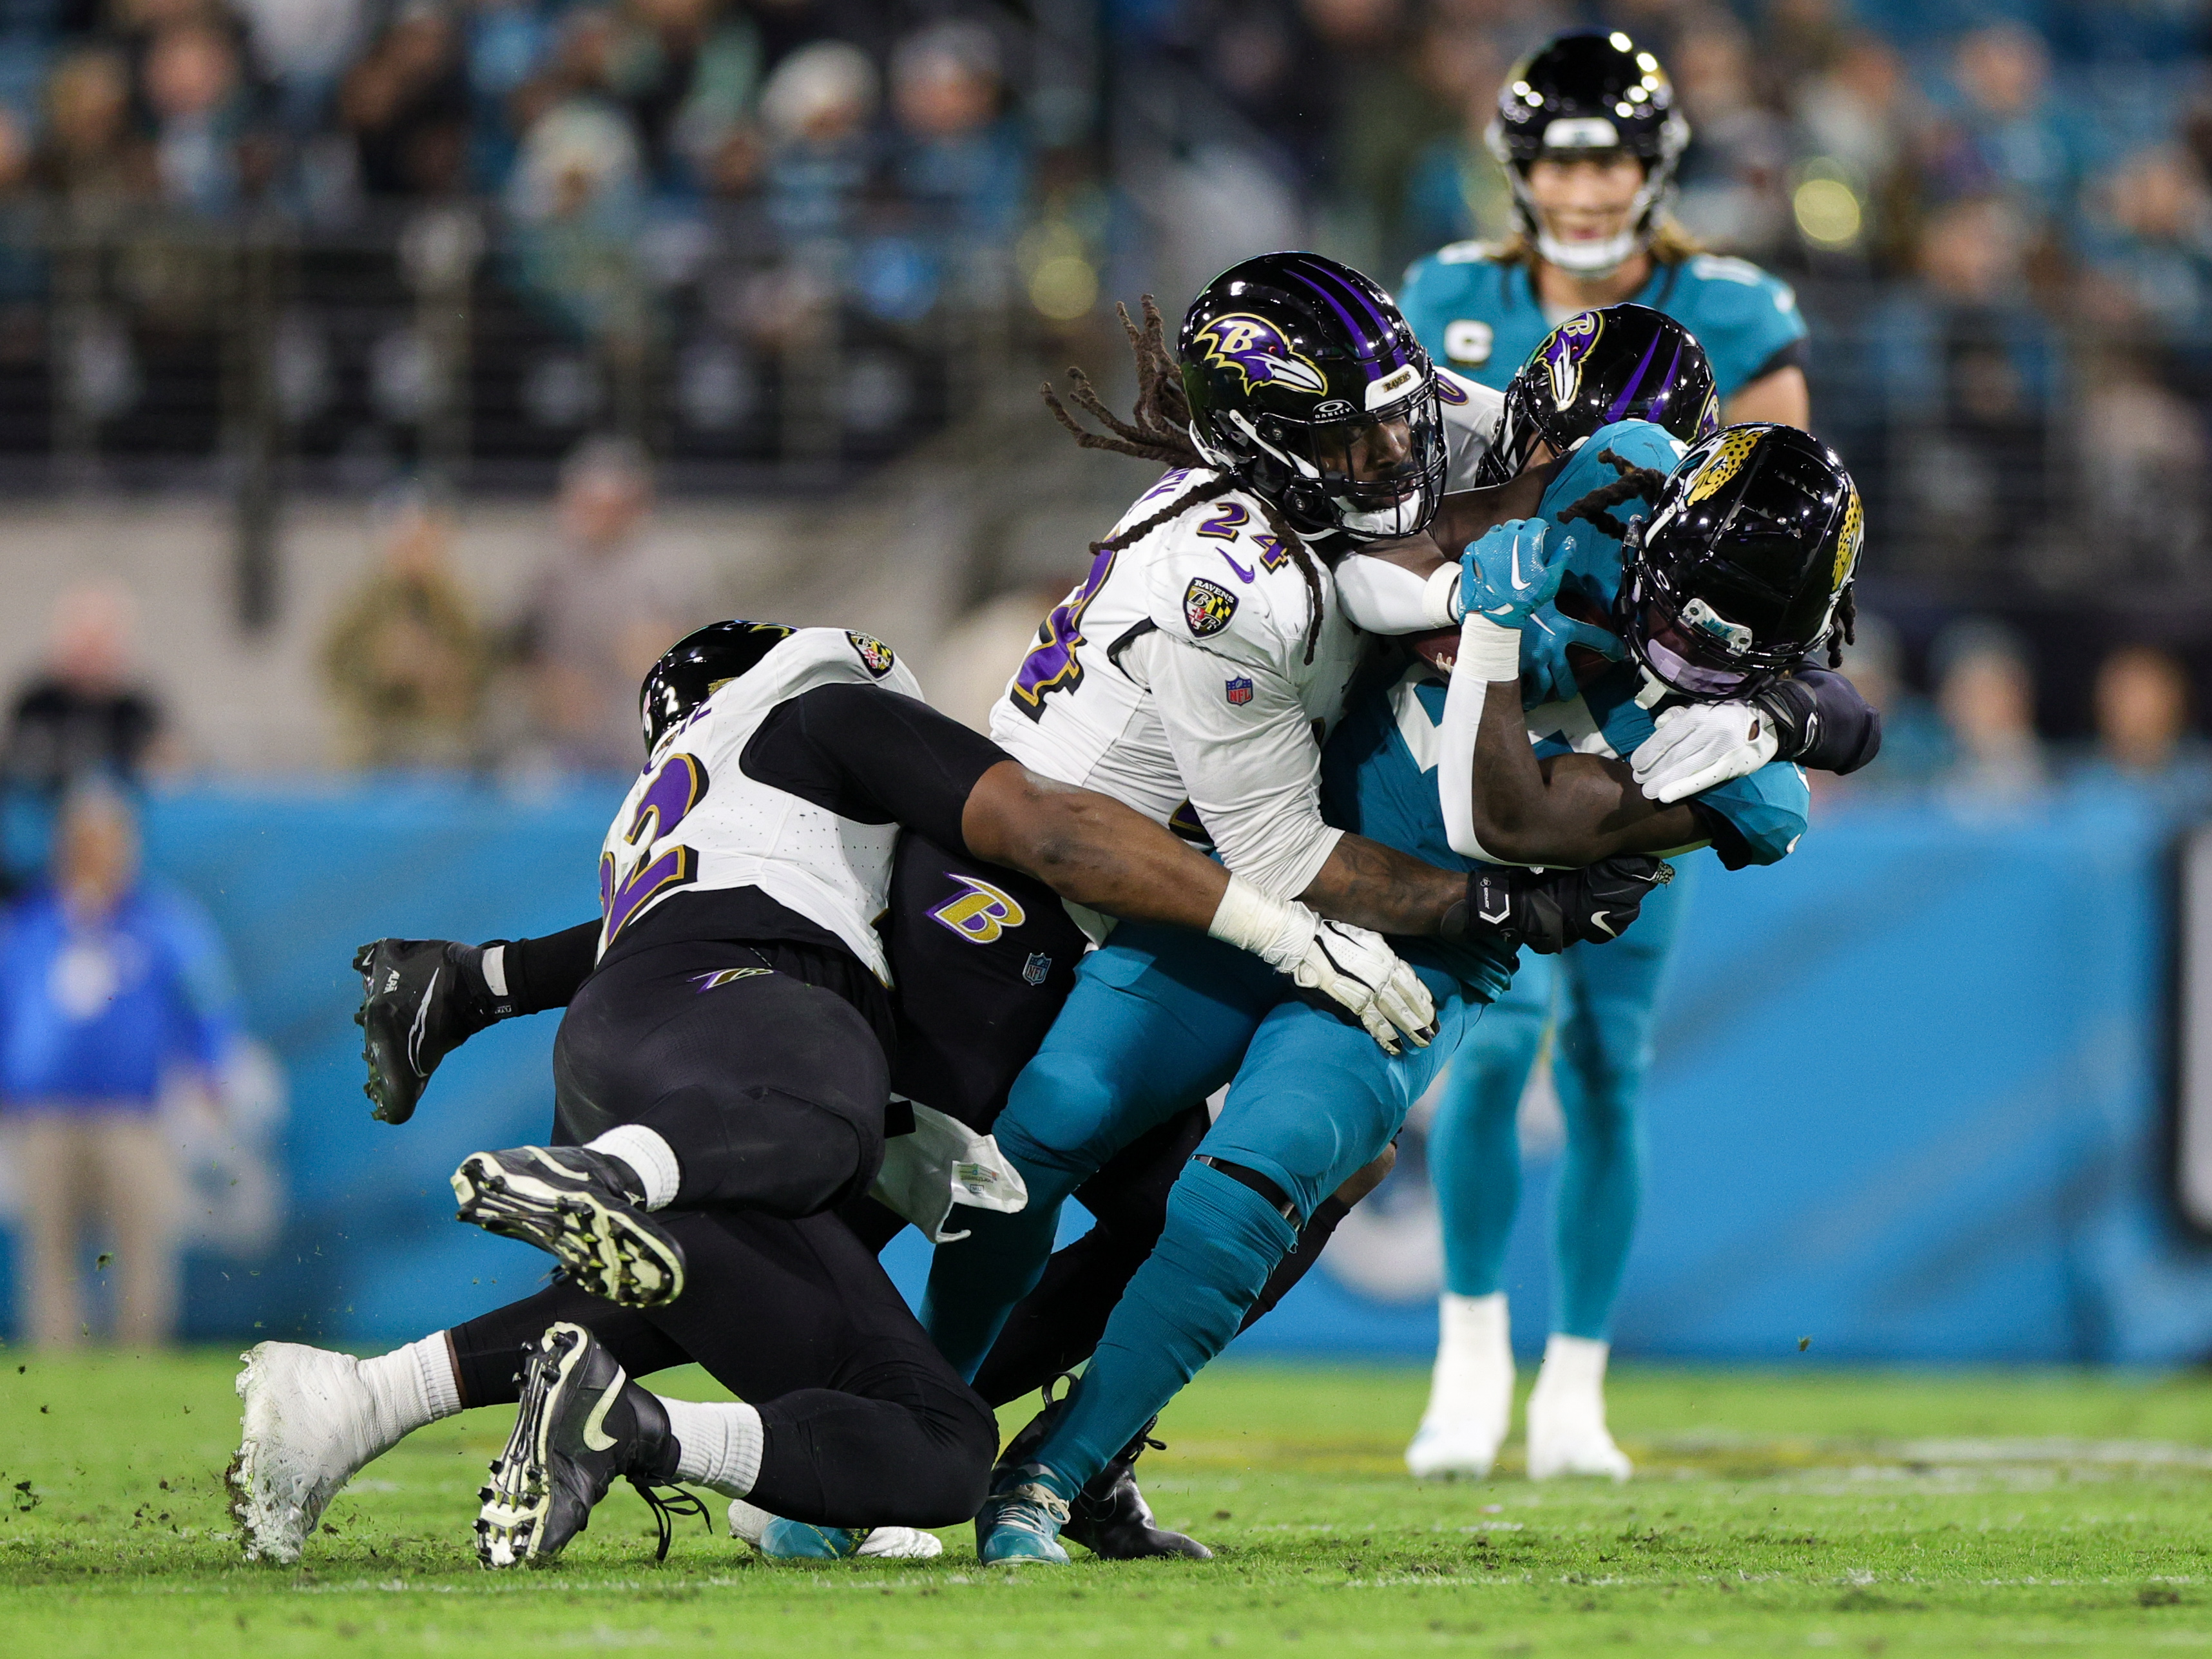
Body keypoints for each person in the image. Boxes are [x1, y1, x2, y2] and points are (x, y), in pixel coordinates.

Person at [229, 619, 1459, 1568]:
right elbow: (1034, 825)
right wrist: (1279, 929)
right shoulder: (821, 719)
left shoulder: (698, 831)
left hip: (676, 1061)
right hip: (751, 1029)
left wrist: (481, 980)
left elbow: (616, 943)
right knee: (840, 1125)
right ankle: (623, 1183)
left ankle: (409, 1402)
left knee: (923, 1440)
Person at [966, 417, 1867, 1564]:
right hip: (1281, 859)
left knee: (1254, 1175)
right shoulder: (1606, 482)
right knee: (1051, 1116)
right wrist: (1446, 585)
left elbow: (1501, 819)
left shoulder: (1750, 781)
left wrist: (1503, 633)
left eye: (1737, 648)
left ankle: (1050, 1474)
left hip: (1422, 956)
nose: (1686, 650)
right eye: (1683, 607)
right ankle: (898, 1424)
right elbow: (1387, 536)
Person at [1397, 29, 1810, 428]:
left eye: (1608, 165)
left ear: (1652, 170)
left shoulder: (1738, 315)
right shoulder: (1444, 299)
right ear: (1522, 174)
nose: (1584, 199)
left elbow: (1762, 492)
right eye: (1559, 165)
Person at [0, 785, 237, 1348]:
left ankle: (141, 1357)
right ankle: (54, 1372)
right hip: (46, 1112)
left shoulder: (162, 920)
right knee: (49, 1248)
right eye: (83, 840)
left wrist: (211, 1068)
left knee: (142, 1243)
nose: (95, 852)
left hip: (132, 1113)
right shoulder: (32, 921)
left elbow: (206, 998)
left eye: (107, 840)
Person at [517, 436, 704, 773]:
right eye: (592, 504)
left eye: (613, 506)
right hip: (565, 734)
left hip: (640, 730)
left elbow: (702, 653)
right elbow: (524, 647)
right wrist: (550, 682)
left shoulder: (669, 569)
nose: (602, 517)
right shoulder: (551, 568)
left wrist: (664, 650)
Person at [320, 487, 489, 768]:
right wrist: (380, 667)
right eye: (406, 543)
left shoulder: (459, 604)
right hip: (375, 738)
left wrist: (443, 673)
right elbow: (334, 667)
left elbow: (482, 668)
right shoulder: (363, 602)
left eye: (423, 542)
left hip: (441, 739)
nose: (414, 553)